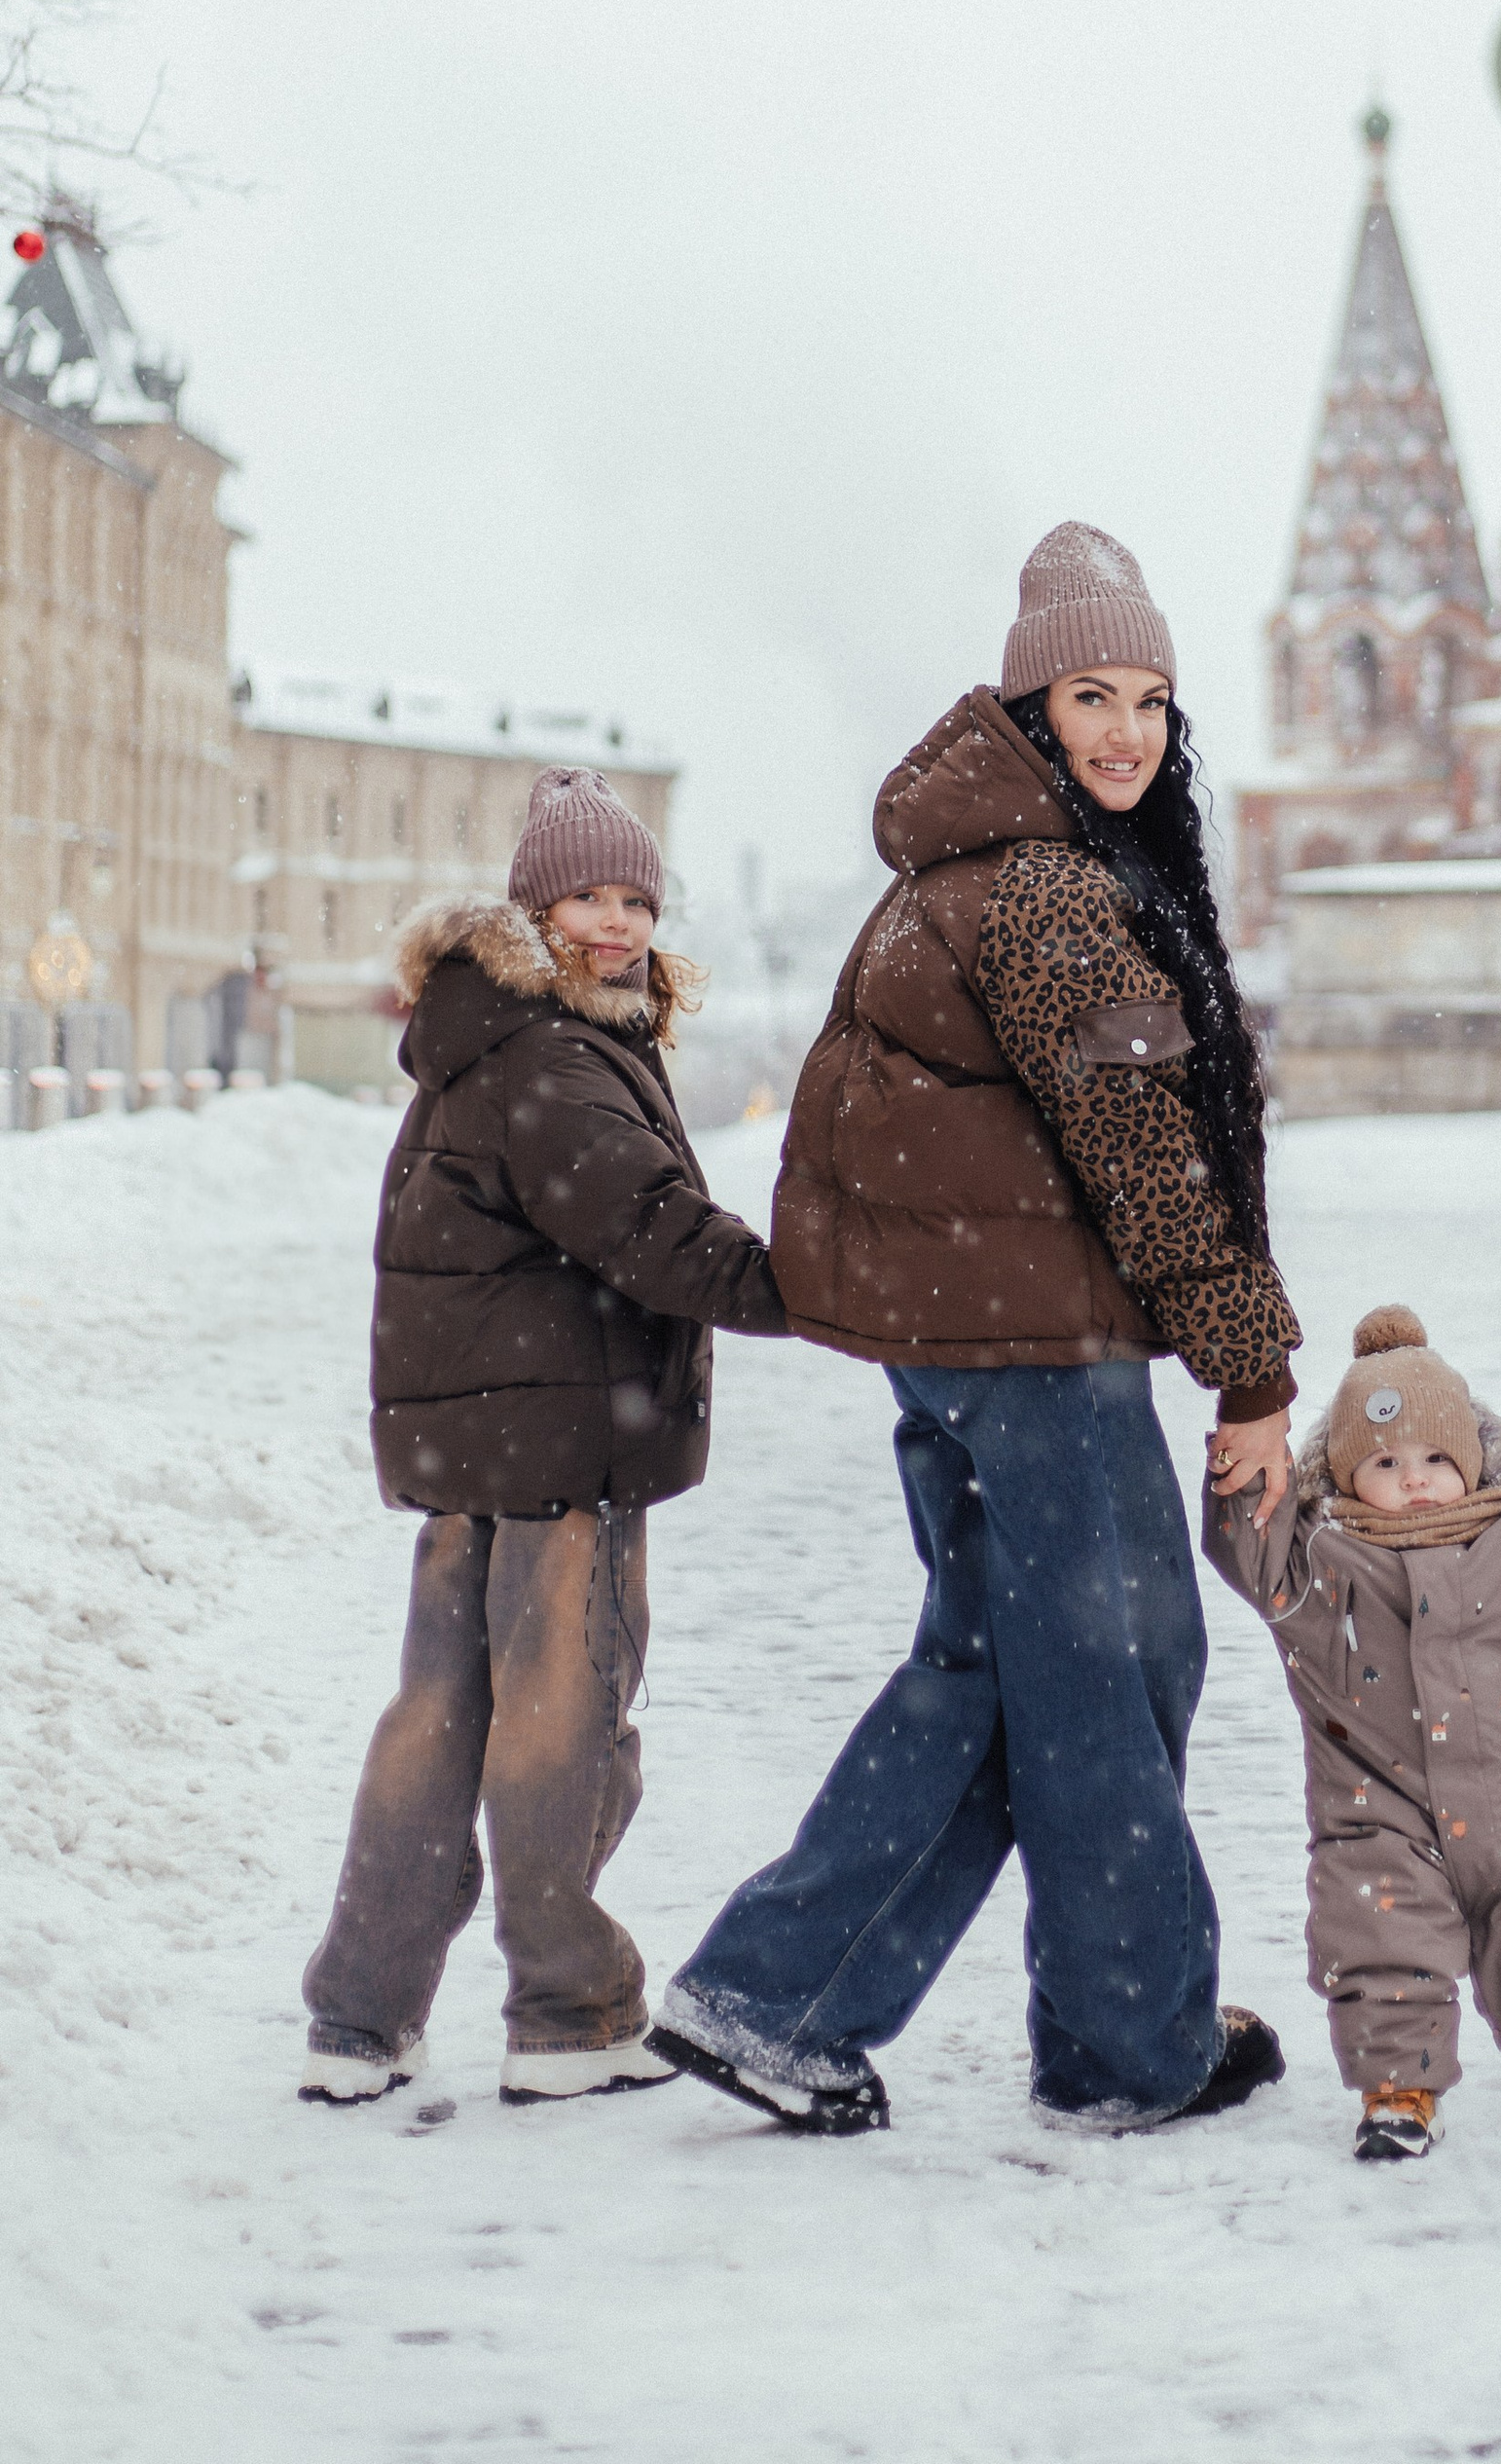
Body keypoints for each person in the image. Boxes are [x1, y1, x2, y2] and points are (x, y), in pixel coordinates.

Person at [654, 522, 1300, 2135]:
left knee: (1000, 1680)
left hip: (975, 1348)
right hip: (1035, 1353)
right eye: (1090, 694)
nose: (1127, 732)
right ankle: (1128, 2045)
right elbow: (1144, 1159)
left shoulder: (973, 872)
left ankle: (778, 2001)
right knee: (1118, 1675)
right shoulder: (1043, 895)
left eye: (1151, 698)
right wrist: (1254, 1371)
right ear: (1029, 711)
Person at [301, 767, 787, 2108]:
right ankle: (569, 2013)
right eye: (587, 895)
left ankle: (359, 2016)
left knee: (438, 1720)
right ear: (532, 905)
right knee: (559, 1726)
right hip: (560, 1451)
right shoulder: (554, 1053)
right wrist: (817, 1286)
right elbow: (652, 1233)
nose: (619, 922)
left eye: (637, 896)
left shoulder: (485, 1035)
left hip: (477, 1451)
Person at [1206, 1302, 1501, 2161]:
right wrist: (1245, 1460)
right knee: (1381, 1943)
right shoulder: (1316, 1566)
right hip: (1379, 1812)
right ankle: (1397, 2088)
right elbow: (1244, 1541)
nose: (1416, 1478)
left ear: (1474, 1458)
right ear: (1339, 1474)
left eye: (1438, 1458)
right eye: (1385, 1461)